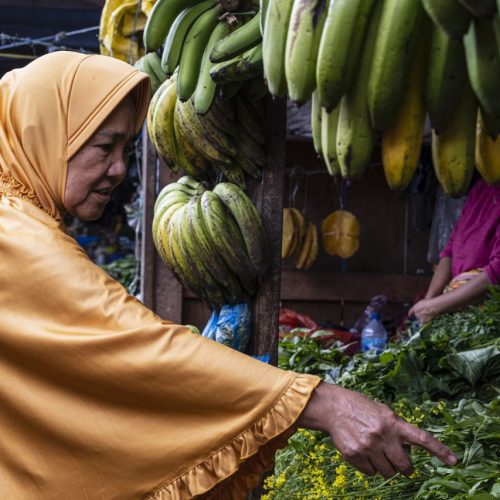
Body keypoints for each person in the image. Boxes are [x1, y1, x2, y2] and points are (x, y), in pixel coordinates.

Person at [0, 51, 457, 499]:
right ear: (45, 132)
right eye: (104, 146)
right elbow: (129, 344)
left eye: (125, 149)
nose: (119, 169)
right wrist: (323, 403)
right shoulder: (16, 235)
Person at [409, 178, 500, 324]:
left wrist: (433, 307)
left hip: (485, 315)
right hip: (454, 310)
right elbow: (450, 250)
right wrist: (429, 300)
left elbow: (497, 272)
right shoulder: (481, 187)